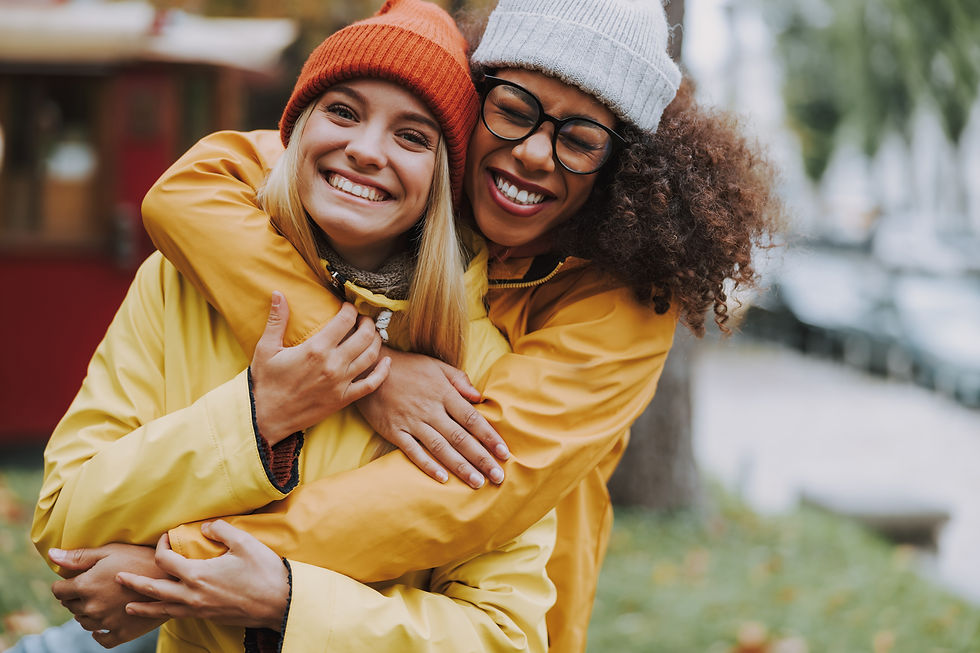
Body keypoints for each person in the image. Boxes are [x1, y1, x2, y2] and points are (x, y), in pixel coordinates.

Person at [32, 1, 782, 652]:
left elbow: (465, 494)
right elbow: (192, 188)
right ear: (470, 108)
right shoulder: (388, 171)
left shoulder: (620, 307)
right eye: (514, 109)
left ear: (622, 169)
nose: (532, 152)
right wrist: (368, 371)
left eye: (580, 139)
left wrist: (178, 569)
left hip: (430, 604)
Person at [25, 1, 557, 651]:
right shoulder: (178, 283)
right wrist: (255, 419)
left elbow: (504, 634)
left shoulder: (485, 364)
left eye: (412, 136)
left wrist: (285, 600)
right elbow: (64, 522)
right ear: (297, 129)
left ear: (443, 179)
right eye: (344, 112)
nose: (365, 150)